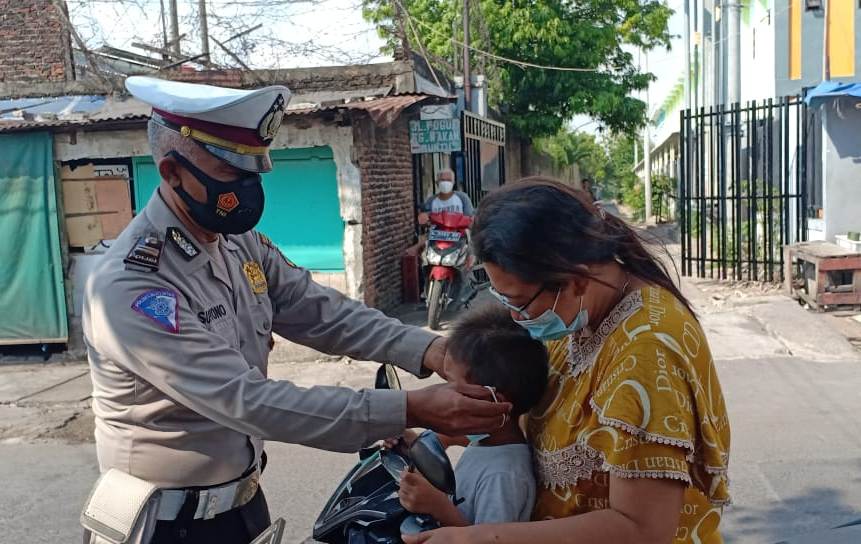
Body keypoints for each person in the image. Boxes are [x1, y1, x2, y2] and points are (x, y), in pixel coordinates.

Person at [81, 76, 509, 544]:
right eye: (231, 174)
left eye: (255, 171)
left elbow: (321, 310)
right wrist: (409, 408)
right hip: (161, 525)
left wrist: (432, 350)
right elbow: (248, 400)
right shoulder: (132, 284)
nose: (249, 188)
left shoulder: (236, 242)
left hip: (241, 507)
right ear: (173, 173)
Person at [402, 177, 730, 544]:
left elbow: (643, 529)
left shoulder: (647, 353)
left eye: (520, 302)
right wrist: (441, 435)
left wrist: (479, 538)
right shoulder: (582, 314)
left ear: (575, 279)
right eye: (505, 301)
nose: (515, 318)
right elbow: (526, 410)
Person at [395, 305, 548, 527]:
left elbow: (490, 538)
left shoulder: (503, 476)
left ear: (494, 403)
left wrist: (439, 507)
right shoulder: (488, 443)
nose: (443, 396)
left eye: (453, 389)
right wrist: (413, 442)